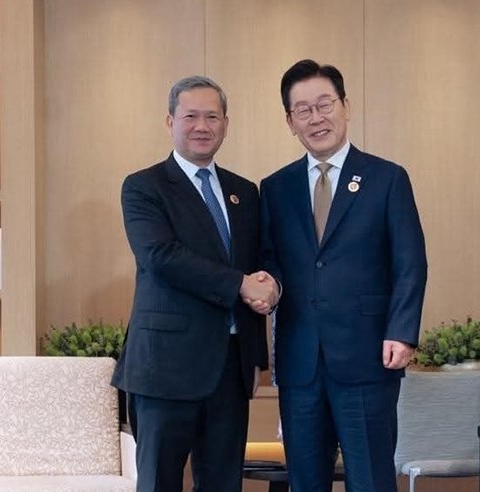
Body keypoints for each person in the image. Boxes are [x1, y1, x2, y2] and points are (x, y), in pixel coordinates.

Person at [256, 59, 427, 492]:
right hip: (300, 363)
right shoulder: (275, 188)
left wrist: (402, 332)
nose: (316, 118)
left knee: (370, 479)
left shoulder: (387, 178)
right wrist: (268, 287)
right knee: (305, 481)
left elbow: (410, 262)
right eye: (303, 110)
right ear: (290, 122)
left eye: (324, 104)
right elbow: (271, 260)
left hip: (367, 357)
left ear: (345, 106)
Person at [112, 75, 277, 492]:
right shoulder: (144, 186)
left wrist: (270, 289)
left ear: (226, 124)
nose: (202, 126)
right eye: (190, 117)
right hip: (165, 368)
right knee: (160, 483)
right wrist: (241, 285)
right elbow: (161, 256)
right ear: (170, 122)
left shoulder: (245, 192)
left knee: (223, 483)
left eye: (212, 117)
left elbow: (259, 262)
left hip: (230, 368)